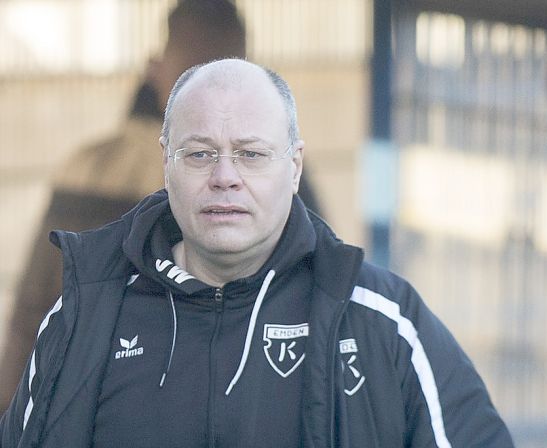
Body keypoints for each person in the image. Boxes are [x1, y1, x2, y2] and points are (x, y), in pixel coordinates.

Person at [0, 58, 534, 448]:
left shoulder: (377, 321)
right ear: (167, 164)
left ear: (295, 167)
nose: (225, 175)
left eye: (251, 154)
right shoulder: (84, 319)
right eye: (200, 153)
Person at [0, 0, 323, 411]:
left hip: (92, 409)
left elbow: (32, 313)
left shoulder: (85, 166)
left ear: (156, 66)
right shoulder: (270, 171)